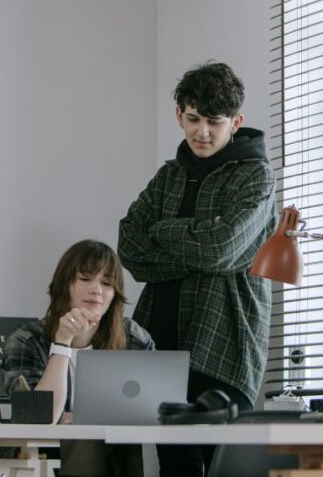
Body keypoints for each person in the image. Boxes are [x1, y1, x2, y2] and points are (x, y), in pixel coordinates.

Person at [118, 61, 276, 476]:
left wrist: (162, 229)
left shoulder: (256, 178)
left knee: (226, 468)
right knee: (174, 470)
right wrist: (201, 241)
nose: (201, 132)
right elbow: (129, 247)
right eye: (193, 119)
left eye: (214, 121)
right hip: (159, 346)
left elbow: (220, 249)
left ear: (235, 122)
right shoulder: (168, 176)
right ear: (179, 116)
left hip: (223, 346)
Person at [2, 240, 153, 477]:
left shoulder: (133, 338)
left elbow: (151, 409)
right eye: (85, 279)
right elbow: (38, 420)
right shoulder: (26, 340)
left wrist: (86, 417)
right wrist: (62, 344)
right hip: (43, 459)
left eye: (107, 283)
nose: (97, 290)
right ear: (65, 284)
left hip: (116, 461)